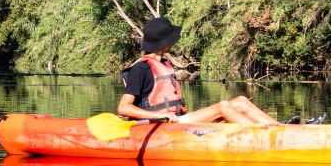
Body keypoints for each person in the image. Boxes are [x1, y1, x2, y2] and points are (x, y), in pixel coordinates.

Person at [116, 15, 278, 125]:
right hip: (161, 124)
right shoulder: (140, 69)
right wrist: (160, 115)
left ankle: (282, 130)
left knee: (241, 102)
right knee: (223, 106)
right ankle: (262, 137)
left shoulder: (163, 63)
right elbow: (124, 108)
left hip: (178, 120)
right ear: (164, 44)